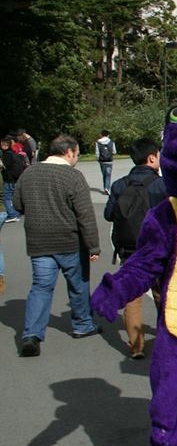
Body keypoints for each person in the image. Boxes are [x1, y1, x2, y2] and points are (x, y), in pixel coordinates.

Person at [13, 134, 101, 357]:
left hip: (38, 241)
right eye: (78, 154)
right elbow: (85, 216)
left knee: (41, 287)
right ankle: (82, 325)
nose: (77, 158)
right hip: (69, 240)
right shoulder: (72, 176)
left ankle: (31, 335)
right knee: (78, 284)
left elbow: (17, 204)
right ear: (69, 152)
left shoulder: (28, 173)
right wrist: (93, 246)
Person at [104, 137, 166, 359]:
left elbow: (108, 214)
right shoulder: (162, 185)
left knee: (133, 298)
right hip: (159, 249)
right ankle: (167, 340)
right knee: (163, 294)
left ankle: (136, 346)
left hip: (129, 249)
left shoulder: (120, 184)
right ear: (152, 157)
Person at [1, 135, 26, 221]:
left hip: (9, 179)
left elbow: (5, 166)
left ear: (5, 146)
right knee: (14, 196)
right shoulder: (14, 154)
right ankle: (17, 212)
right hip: (16, 178)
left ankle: (12, 214)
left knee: (6, 197)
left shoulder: (6, 155)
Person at [95, 129, 116, 194]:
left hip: (102, 161)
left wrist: (98, 159)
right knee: (108, 175)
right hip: (109, 160)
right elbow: (114, 152)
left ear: (101, 135)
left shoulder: (98, 142)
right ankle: (107, 188)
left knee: (104, 174)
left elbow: (97, 152)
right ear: (108, 135)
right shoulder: (111, 142)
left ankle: (105, 187)